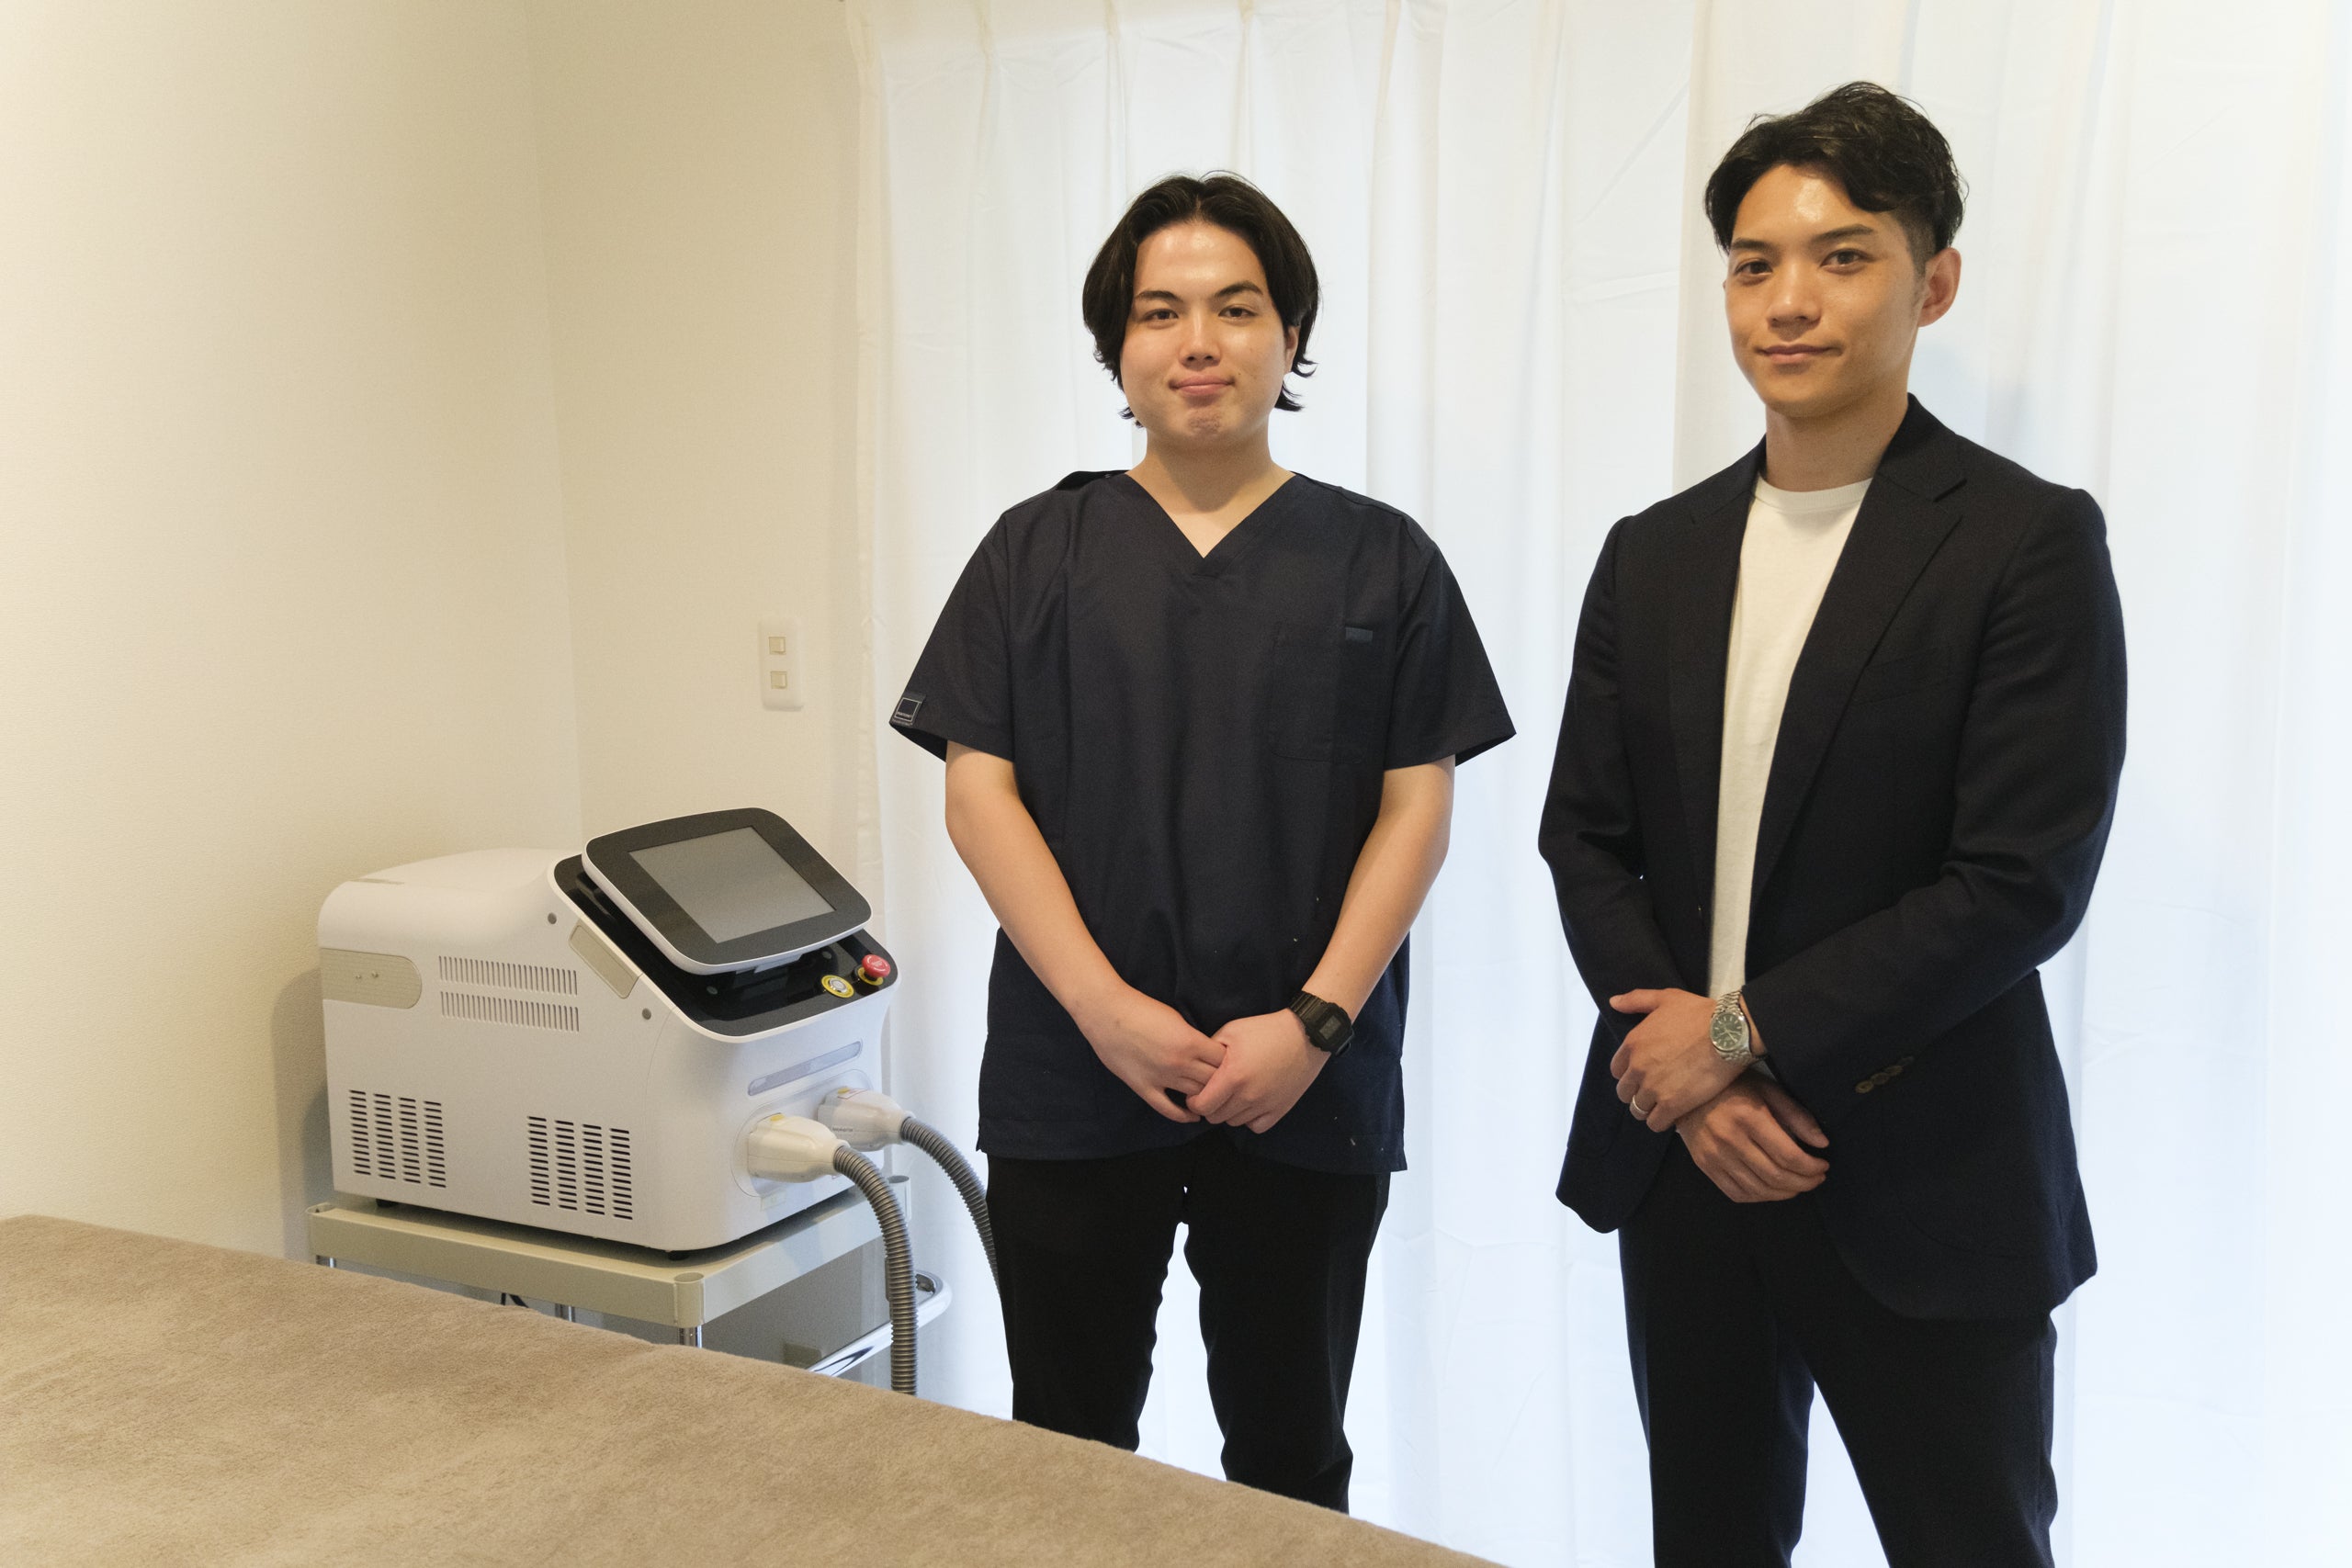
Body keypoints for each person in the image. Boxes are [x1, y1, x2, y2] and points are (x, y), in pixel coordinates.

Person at [1539, 83, 2127, 1567]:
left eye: (1842, 256)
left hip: (1929, 1171)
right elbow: (1586, 840)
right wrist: (1690, 1080)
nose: (1788, 301)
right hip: (1688, 1166)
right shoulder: (1654, 553)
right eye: (1755, 264)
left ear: (1934, 283)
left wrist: (1737, 1038)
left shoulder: (2025, 541)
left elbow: (2017, 882)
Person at [890, 173, 1512, 1511]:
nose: (1199, 342)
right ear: (1116, 346)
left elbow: (1417, 808)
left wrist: (1317, 1024)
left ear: (1290, 335)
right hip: (1074, 1071)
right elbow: (978, 794)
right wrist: (1103, 1010)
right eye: (1159, 312)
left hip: (1304, 1080)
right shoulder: (1033, 552)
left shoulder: (1384, 561)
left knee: (1290, 1459)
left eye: (1236, 308)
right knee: (1064, 1447)